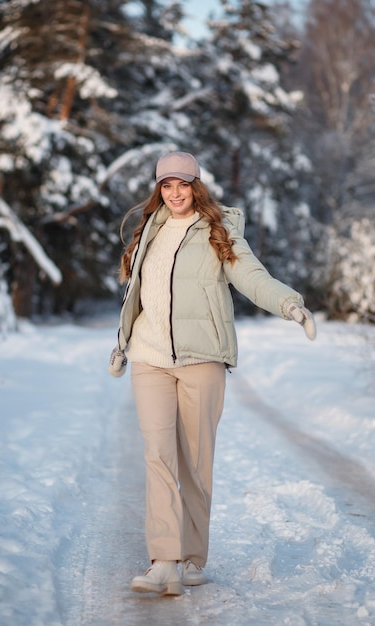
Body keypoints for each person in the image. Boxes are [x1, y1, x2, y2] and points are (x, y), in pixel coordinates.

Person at [109, 151, 316, 596]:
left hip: (202, 359)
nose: (175, 193)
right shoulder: (152, 229)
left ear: (196, 186)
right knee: (157, 457)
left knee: (195, 464)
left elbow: (252, 277)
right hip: (150, 358)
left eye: (183, 184)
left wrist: (289, 305)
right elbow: (138, 294)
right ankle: (164, 561)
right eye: (166, 185)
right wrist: (123, 343)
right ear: (158, 189)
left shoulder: (218, 231)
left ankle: (192, 560)